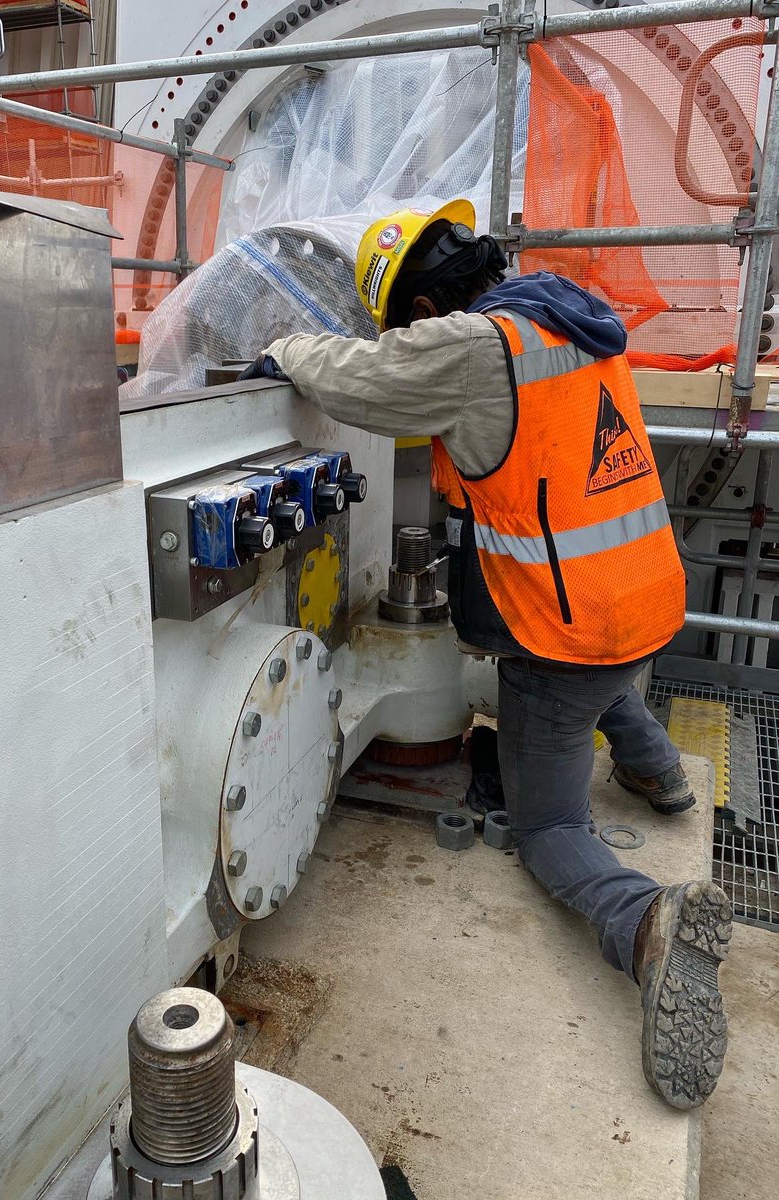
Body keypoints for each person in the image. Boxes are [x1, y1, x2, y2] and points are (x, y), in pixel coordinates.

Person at [239, 198, 732, 1110]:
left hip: (569, 634)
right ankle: (661, 775)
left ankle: (643, 923)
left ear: (422, 312)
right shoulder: (566, 315)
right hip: (645, 599)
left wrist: (287, 353)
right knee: (592, 676)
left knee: (547, 826)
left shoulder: (472, 347)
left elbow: (361, 377)